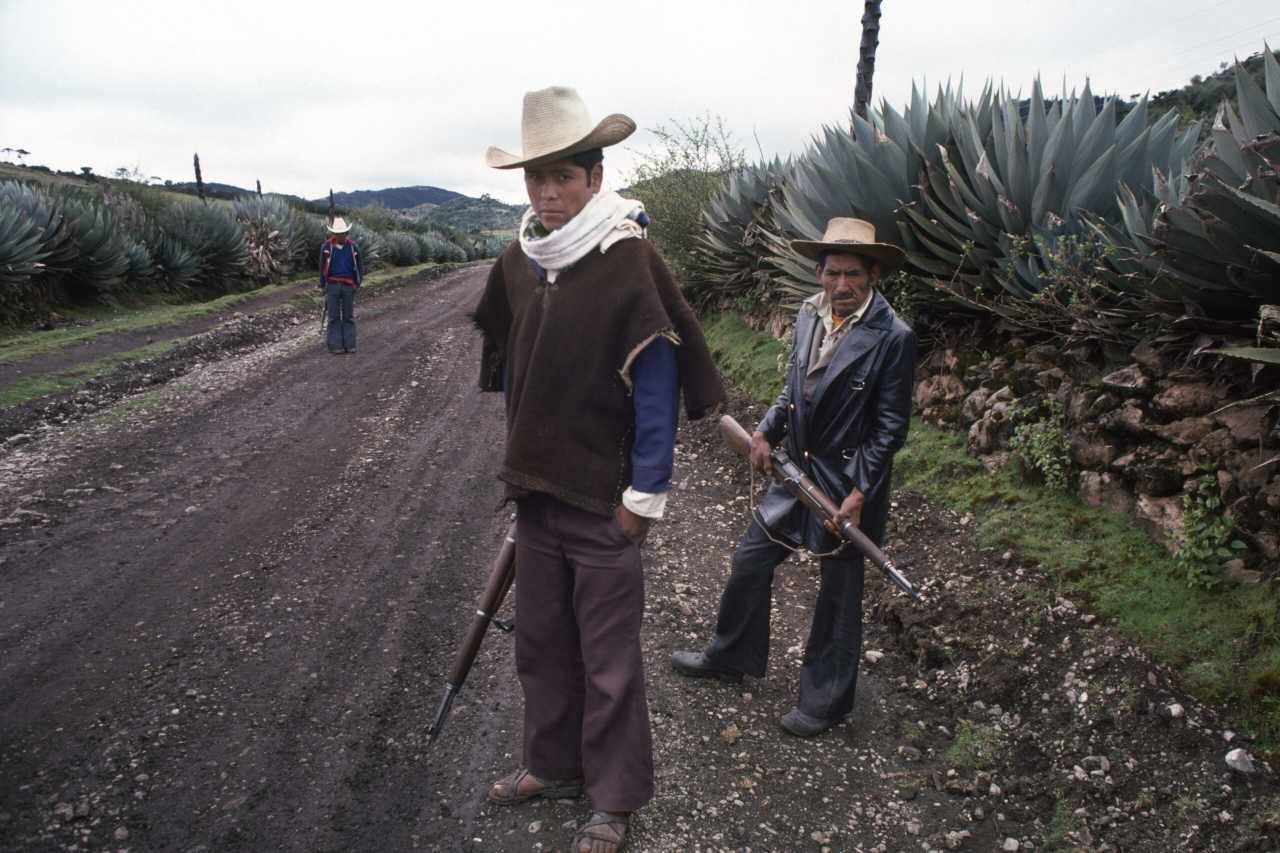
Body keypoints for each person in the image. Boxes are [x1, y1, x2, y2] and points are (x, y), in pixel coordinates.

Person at [471, 86, 725, 853]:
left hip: (605, 503)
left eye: (564, 177)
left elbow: (657, 383)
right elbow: (517, 371)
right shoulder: (520, 260)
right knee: (541, 645)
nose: (548, 193)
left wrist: (642, 501)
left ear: (596, 176)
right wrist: (521, 474)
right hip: (539, 497)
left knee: (609, 659)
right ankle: (553, 764)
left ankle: (613, 798)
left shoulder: (627, 260)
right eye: (535, 178)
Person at [672, 218, 917, 738]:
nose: (842, 286)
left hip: (850, 483)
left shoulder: (894, 337)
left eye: (854, 274)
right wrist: (764, 430)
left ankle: (825, 702)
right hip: (798, 469)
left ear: (874, 274)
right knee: (750, 559)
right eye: (833, 274)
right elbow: (793, 390)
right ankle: (730, 654)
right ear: (818, 271)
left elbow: (890, 428)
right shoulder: (810, 313)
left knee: (839, 594)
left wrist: (858, 492)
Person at [319, 217, 363, 354]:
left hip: (348, 286)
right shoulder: (326, 247)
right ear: (333, 235)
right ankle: (335, 345)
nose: (340, 236)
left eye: (343, 233)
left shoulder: (353, 247)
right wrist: (322, 285)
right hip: (332, 285)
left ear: (347, 234)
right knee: (333, 315)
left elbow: (360, 265)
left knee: (348, 315)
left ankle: (350, 344)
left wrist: (357, 283)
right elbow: (322, 267)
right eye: (337, 234)